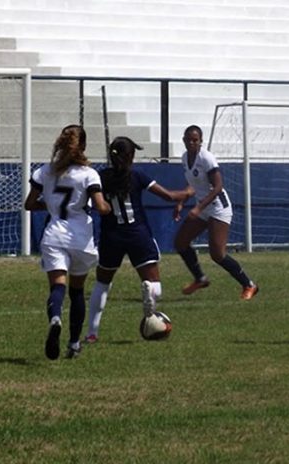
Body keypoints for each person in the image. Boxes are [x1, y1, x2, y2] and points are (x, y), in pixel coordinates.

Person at [84, 136, 190, 343]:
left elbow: (91, 203)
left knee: (102, 284)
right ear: (131, 156)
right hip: (137, 234)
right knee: (154, 283)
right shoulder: (137, 176)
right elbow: (168, 196)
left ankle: (92, 333)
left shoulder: (100, 177)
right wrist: (187, 193)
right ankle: (149, 292)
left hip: (111, 235)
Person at [24, 124, 111, 360]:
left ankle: (55, 318)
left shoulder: (45, 171)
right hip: (80, 237)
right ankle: (73, 343)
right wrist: (107, 206)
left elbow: (29, 204)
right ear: (82, 146)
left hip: (54, 235)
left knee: (58, 288)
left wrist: (50, 205)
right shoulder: (89, 174)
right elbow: (101, 207)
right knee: (77, 291)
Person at [173, 125, 259, 299]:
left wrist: (197, 208)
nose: (191, 142)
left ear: (201, 141)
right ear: (183, 140)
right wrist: (182, 201)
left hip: (218, 207)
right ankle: (200, 278)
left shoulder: (206, 158)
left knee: (217, 254)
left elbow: (218, 187)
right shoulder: (185, 158)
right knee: (181, 242)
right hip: (203, 206)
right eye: (188, 139)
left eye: (195, 140)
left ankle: (249, 285)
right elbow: (195, 185)